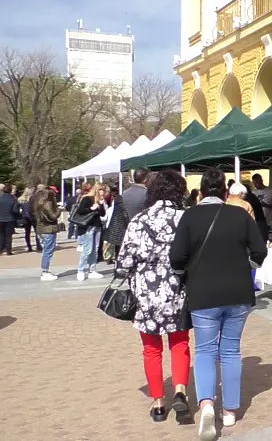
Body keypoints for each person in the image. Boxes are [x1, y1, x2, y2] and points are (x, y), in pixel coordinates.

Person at [170, 169, 267, 441]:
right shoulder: (239, 214)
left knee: (205, 350)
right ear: (226, 192)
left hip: (203, 293)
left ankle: (207, 405)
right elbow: (260, 250)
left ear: (200, 192)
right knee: (231, 350)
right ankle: (230, 411)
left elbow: (176, 256)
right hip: (238, 292)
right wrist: (245, 265)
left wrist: (183, 274)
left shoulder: (189, 216)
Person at [118, 170, 193, 424]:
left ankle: (159, 403)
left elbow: (124, 262)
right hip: (177, 290)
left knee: (151, 348)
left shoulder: (139, 220)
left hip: (147, 293)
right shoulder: (186, 219)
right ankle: (181, 390)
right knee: (180, 343)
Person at [75, 183, 107, 281]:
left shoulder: (101, 200)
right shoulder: (87, 198)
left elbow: (102, 214)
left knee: (95, 249)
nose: (103, 193)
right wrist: (91, 208)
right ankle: (80, 270)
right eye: (101, 190)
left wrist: (101, 205)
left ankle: (92, 270)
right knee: (87, 249)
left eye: (104, 191)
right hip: (88, 226)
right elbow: (80, 211)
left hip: (97, 226)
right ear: (96, 190)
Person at [34, 188, 60, 281]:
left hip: (41, 229)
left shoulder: (38, 203)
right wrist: (59, 209)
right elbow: (53, 216)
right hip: (48, 229)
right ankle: (45, 271)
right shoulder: (48, 203)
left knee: (46, 250)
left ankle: (45, 270)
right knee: (48, 251)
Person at [0, 184, 18, 255]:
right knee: (8, 236)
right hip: (10, 219)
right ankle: (8, 250)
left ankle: (0, 250)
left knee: (1, 235)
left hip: (0, 219)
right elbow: (15, 210)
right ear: (10, 191)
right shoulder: (13, 199)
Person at [18, 186, 42, 252]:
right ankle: (38, 246)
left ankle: (29, 246)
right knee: (37, 232)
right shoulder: (34, 198)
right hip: (34, 216)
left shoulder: (21, 199)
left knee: (27, 232)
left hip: (25, 217)